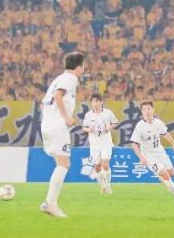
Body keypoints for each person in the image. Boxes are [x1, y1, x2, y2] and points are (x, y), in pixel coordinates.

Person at [40, 51, 86, 218]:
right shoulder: (70, 79)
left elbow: (43, 104)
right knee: (64, 164)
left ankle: (49, 202)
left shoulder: (57, 79)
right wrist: (66, 117)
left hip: (47, 125)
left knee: (61, 163)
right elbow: (58, 95)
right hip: (57, 126)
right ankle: (50, 203)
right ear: (79, 67)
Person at [129, 101, 174, 201]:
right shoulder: (140, 126)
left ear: (153, 110)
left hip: (160, 153)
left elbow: (165, 134)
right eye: (144, 110)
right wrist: (141, 157)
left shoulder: (158, 123)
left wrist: (173, 143)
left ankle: (162, 178)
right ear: (142, 112)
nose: (147, 111)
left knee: (171, 173)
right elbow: (134, 144)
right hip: (149, 157)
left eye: (149, 109)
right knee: (164, 173)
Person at [82, 94, 117, 195]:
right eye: (93, 101)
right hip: (94, 144)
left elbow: (115, 123)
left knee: (105, 165)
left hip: (106, 142)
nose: (95, 103)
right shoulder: (88, 115)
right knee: (97, 167)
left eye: (97, 101)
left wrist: (109, 128)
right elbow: (84, 127)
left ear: (101, 102)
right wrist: (89, 129)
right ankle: (102, 186)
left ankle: (108, 185)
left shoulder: (108, 113)